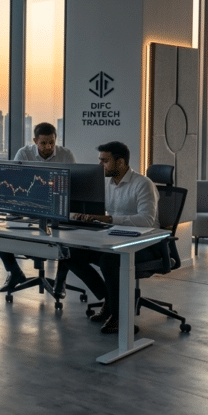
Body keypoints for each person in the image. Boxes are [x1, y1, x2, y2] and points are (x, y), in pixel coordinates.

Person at [60, 141, 159, 334]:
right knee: (70, 254)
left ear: (120, 162)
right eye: (100, 160)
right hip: (113, 239)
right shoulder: (106, 184)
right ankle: (110, 301)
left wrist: (108, 218)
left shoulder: (142, 184)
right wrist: (85, 215)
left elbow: (147, 220)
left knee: (109, 261)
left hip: (147, 245)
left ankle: (119, 316)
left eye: (104, 161)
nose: (100, 166)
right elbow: (99, 213)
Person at [0, 122, 77, 293]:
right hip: (27, 205)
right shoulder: (24, 154)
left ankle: (60, 280)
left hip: (57, 206)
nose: (48, 147)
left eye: (51, 142)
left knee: (68, 238)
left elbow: (74, 184)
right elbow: (14, 183)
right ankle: (15, 272)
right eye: (43, 143)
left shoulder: (66, 155)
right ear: (35, 140)